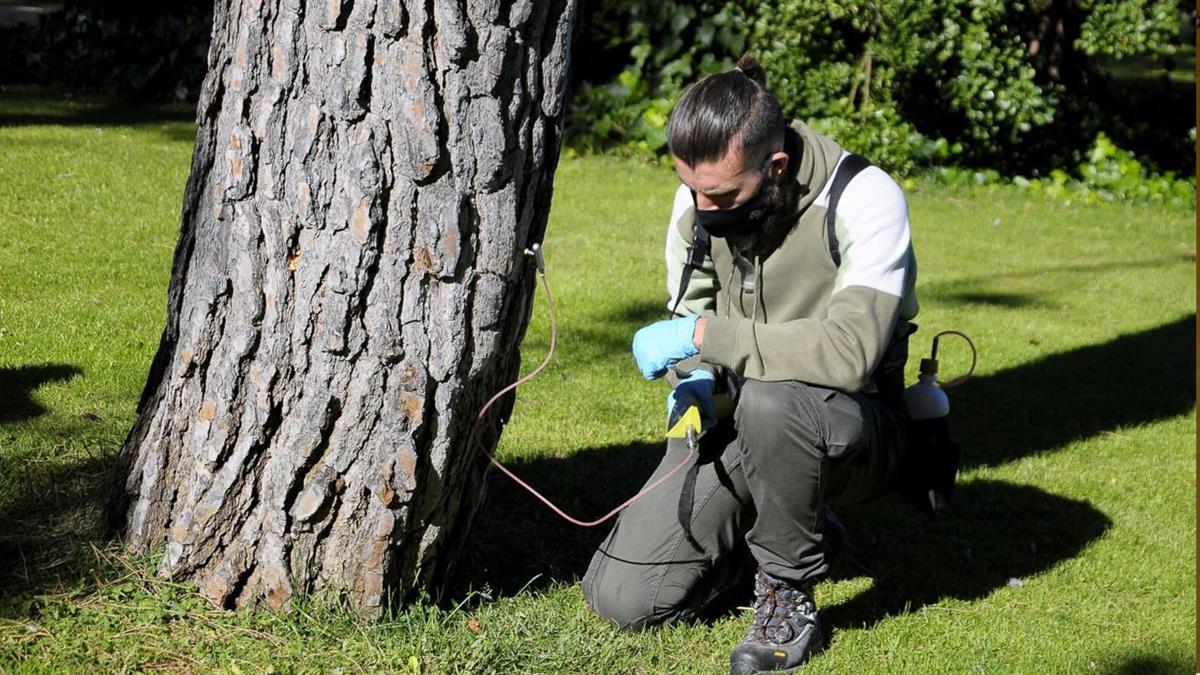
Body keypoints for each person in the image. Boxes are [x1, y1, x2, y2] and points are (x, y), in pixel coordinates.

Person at [581, 55, 920, 674]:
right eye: (692, 189)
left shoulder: (865, 198)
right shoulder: (699, 200)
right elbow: (690, 317)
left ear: (777, 166)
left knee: (774, 400)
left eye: (720, 195)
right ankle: (789, 530)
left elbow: (850, 353)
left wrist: (706, 336)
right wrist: (696, 380)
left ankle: (786, 593)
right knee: (622, 600)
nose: (703, 209)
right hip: (739, 415)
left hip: (854, 428)